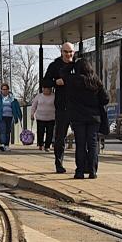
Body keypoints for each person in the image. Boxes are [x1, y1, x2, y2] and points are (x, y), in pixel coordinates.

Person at [42, 42, 79, 174]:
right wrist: (55, 82)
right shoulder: (55, 65)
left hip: (77, 105)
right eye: (66, 52)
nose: (68, 55)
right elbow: (44, 81)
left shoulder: (78, 64)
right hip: (62, 105)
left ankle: (81, 165)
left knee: (80, 136)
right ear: (61, 52)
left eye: (71, 52)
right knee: (60, 136)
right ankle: (59, 163)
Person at [68, 62, 109, 179]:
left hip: (78, 118)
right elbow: (105, 99)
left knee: (80, 144)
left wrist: (71, 65)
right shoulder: (95, 81)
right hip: (94, 118)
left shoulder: (74, 81)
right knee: (92, 144)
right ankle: (92, 171)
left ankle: (80, 171)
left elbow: (68, 97)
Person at [30, 84, 57, 152]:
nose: (46, 90)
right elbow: (34, 106)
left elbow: (57, 106)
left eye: (48, 89)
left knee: (50, 133)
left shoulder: (54, 96)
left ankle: (47, 146)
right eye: (45, 88)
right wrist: (32, 114)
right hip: (40, 117)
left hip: (51, 118)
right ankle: (41, 144)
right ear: (43, 89)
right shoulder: (39, 96)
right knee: (40, 132)